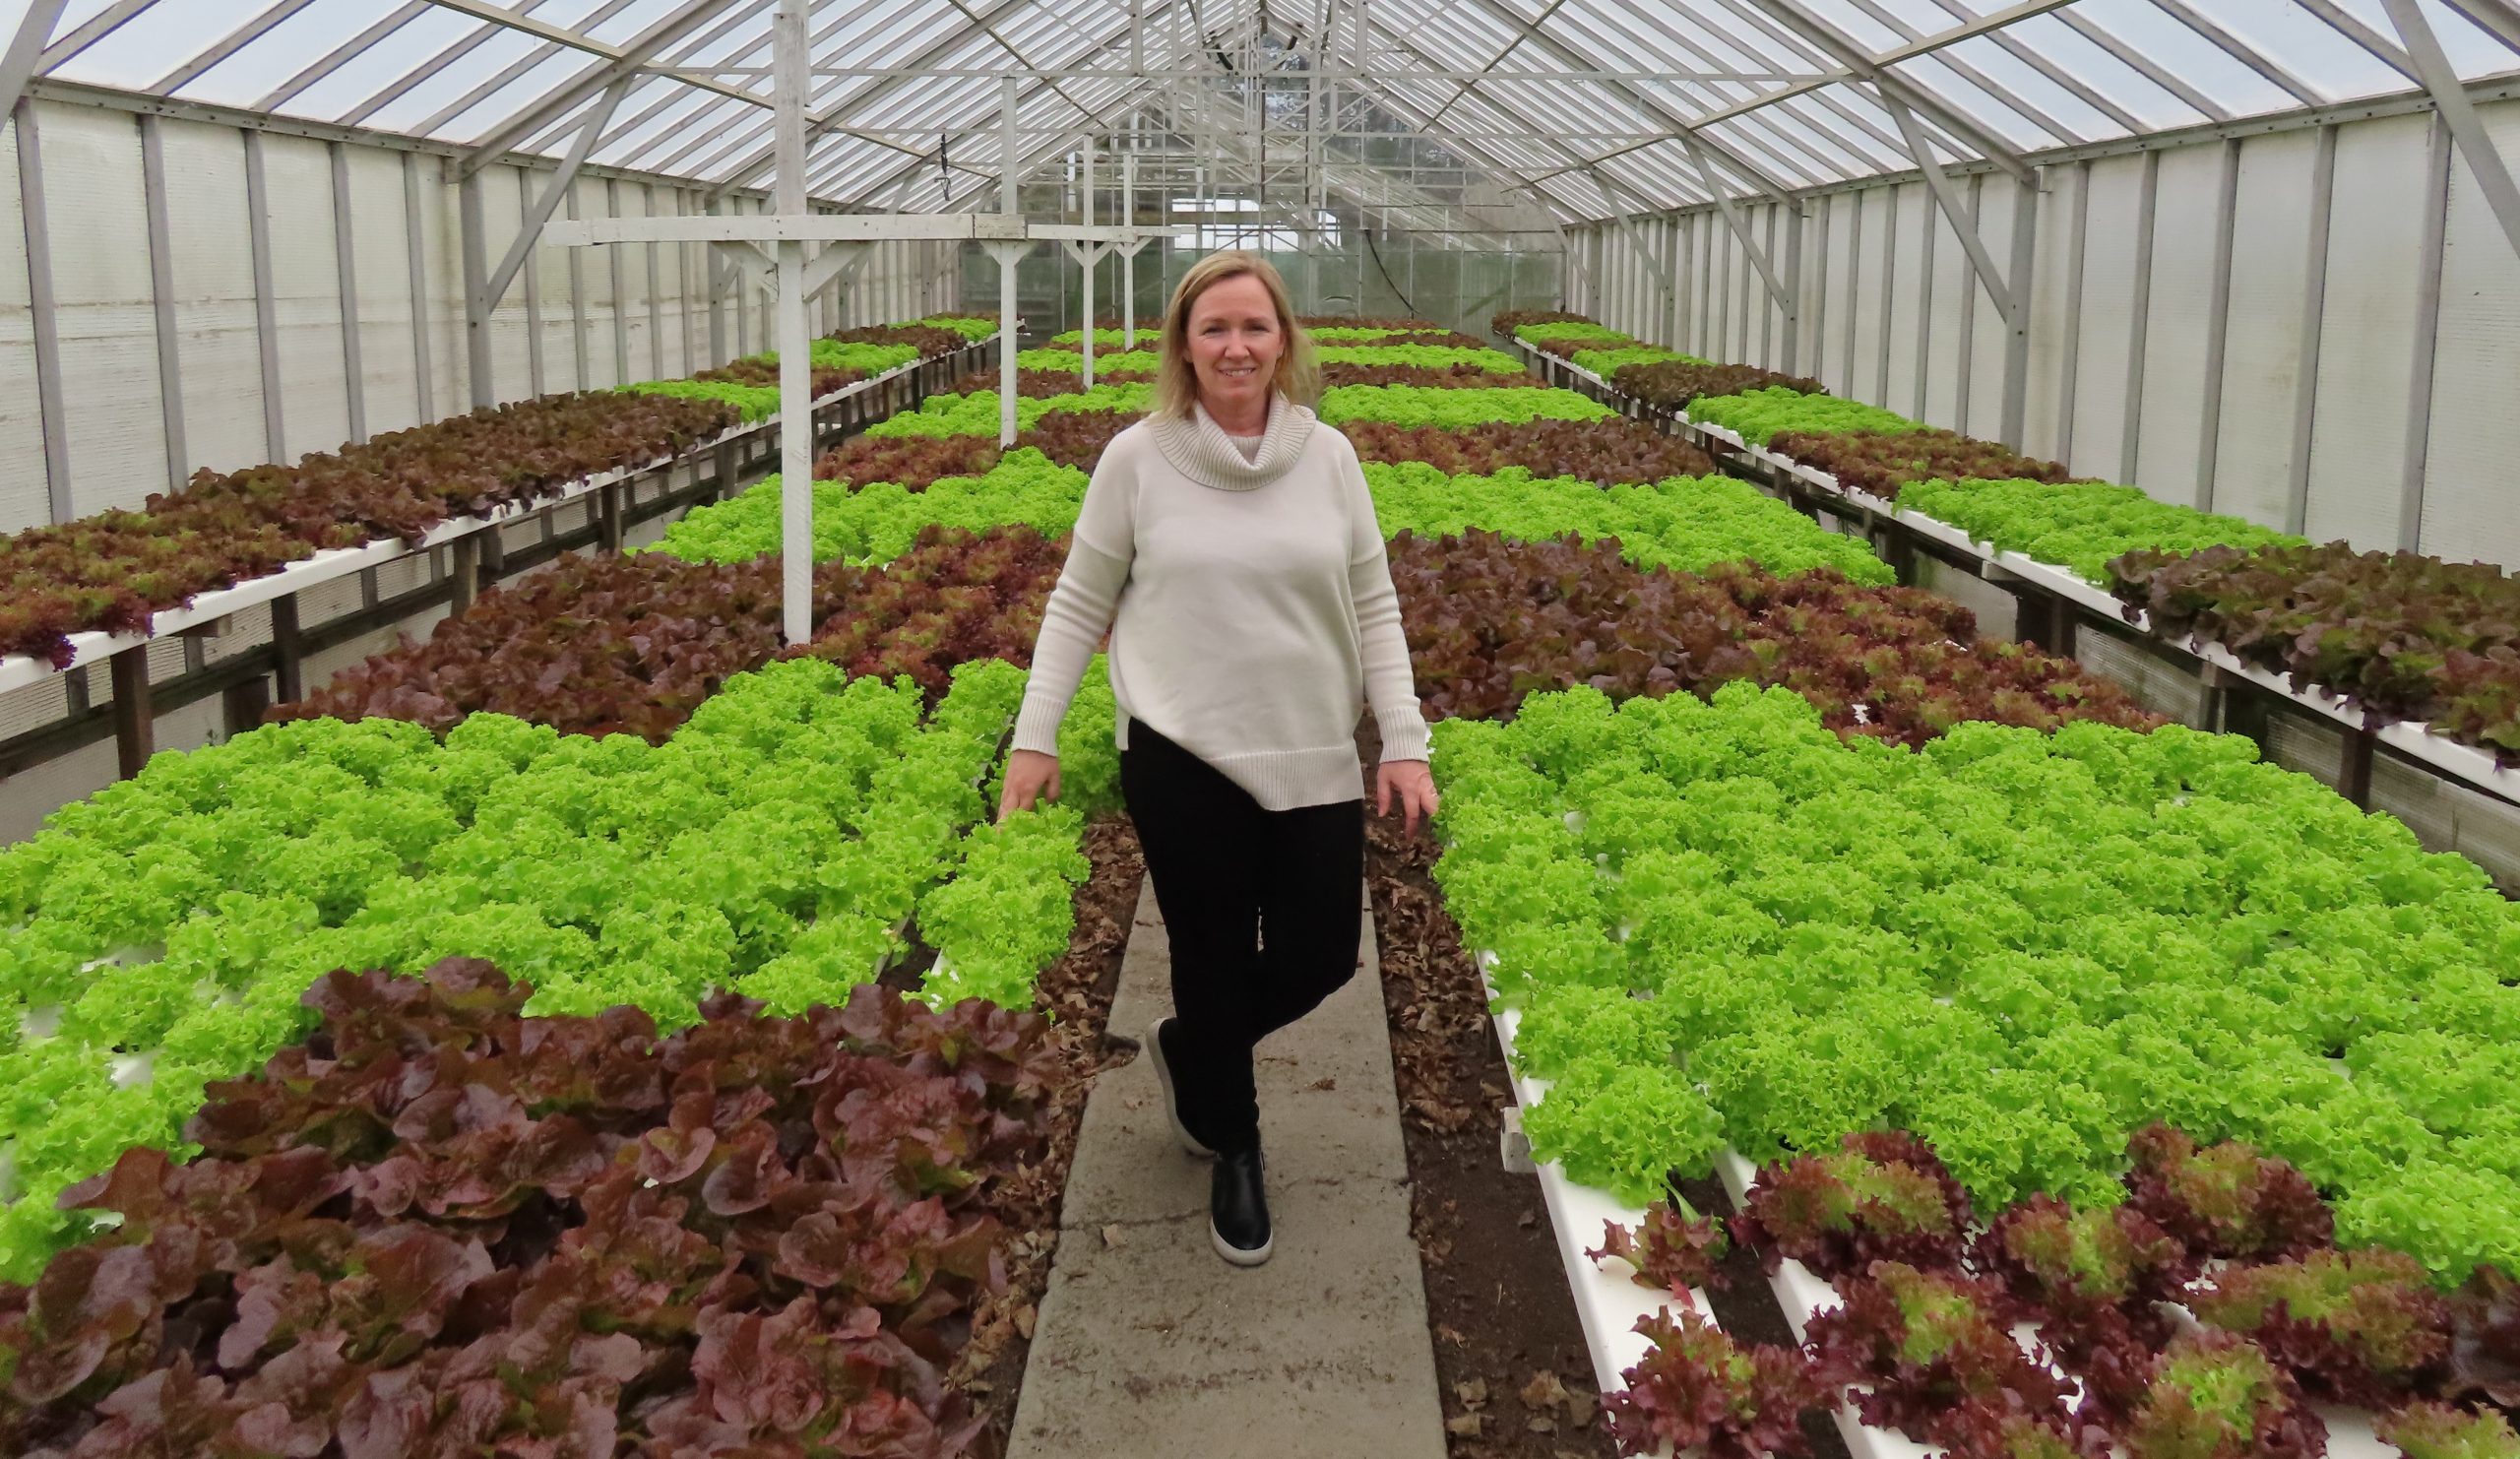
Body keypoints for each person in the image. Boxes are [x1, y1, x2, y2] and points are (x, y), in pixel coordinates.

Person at [995, 251, 1438, 1268]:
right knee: (1205, 947)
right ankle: (1234, 1144)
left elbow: (1373, 603)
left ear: (1284, 342)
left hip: (1311, 744)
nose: (1235, 347)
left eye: (1254, 327)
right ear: (1182, 348)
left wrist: (1401, 740)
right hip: (1180, 746)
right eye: (1213, 330)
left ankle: (1195, 1045)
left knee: (1323, 954)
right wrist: (1036, 733)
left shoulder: (1328, 458)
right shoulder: (1137, 460)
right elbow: (1077, 601)